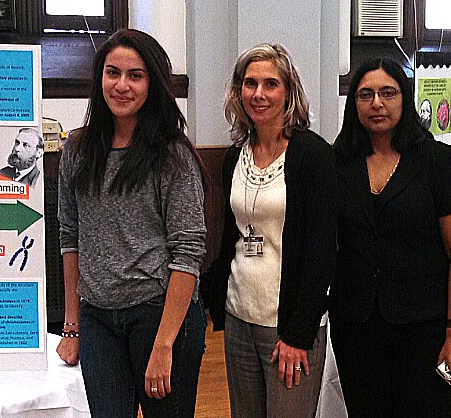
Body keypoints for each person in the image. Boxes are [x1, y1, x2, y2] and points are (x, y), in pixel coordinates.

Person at [56, 29, 208, 418]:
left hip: (158, 314)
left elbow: (188, 253)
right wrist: (71, 327)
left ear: (152, 83)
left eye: (135, 76)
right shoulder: (77, 148)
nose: (121, 85)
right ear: (100, 79)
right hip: (98, 318)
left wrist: (164, 346)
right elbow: (70, 237)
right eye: (113, 73)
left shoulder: (172, 155)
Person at [331, 57, 451, 417]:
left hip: (424, 327)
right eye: (365, 95)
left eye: (388, 93)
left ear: (404, 98)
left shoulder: (437, 161)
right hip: (356, 327)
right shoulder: (337, 162)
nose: (377, 103)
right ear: (354, 103)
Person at [201, 43, 336, 418]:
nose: (258, 94)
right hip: (239, 316)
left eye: (270, 84)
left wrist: (298, 335)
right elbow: (231, 238)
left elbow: (322, 253)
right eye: (250, 83)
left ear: (289, 92)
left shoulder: (313, 155)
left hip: (289, 325)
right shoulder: (235, 156)